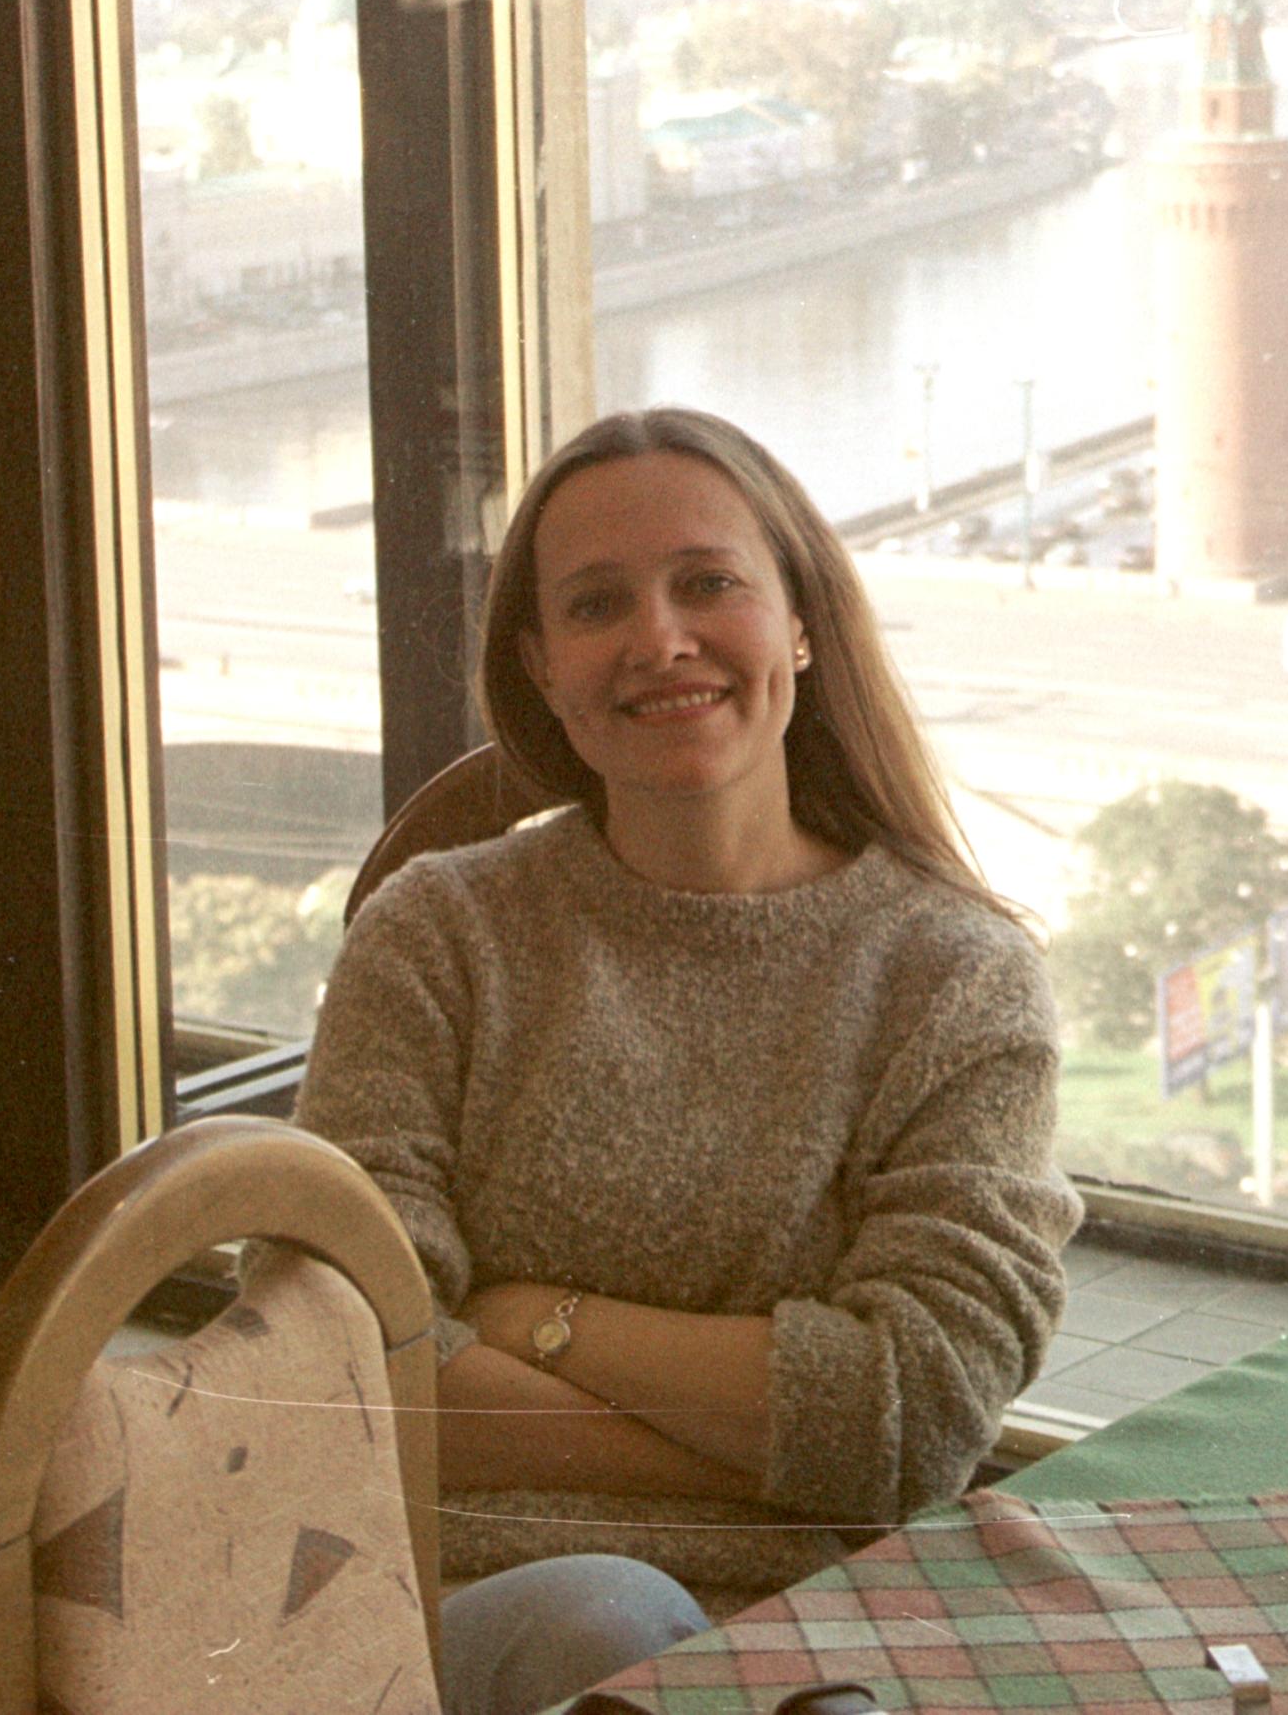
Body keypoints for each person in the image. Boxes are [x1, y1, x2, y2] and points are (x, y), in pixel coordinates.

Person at [295, 407, 1084, 1715]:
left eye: (709, 584)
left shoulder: (952, 976)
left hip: (824, 1651)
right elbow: (348, 1368)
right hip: (444, 1615)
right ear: (543, 667)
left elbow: (920, 1408)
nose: (659, 639)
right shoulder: (440, 936)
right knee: (604, 1619)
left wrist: (540, 1321)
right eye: (596, 604)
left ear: (802, 623)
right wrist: (791, 1457)